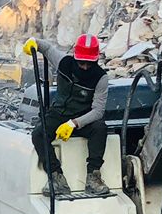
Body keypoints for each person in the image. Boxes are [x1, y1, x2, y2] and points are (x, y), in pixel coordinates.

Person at [43, 34, 111, 188]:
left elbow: (98, 111)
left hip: (82, 118)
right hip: (58, 114)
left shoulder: (101, 78)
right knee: (39, 134)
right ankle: (55, 176)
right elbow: (46, 48)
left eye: (89, 63)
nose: (85, 67)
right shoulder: (63, 63)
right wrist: (33, 43)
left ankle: (93, 177)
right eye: (82, 63)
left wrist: (74, 123)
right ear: (75, 56)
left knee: (100, 129)